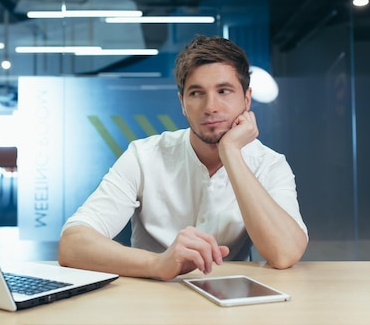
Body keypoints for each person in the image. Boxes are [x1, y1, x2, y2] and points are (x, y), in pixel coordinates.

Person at [58, 35, 308, 280]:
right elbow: (72, 244)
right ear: (182, 103)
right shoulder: (144, 157)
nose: (211, 106)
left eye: (224, 91)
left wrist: (231, 153)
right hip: (150, 300)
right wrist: (158, 263)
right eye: (196, 93)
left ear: (246, 99)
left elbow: (285, 254)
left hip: (233, 303)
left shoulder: (270, 164)